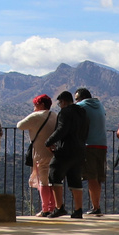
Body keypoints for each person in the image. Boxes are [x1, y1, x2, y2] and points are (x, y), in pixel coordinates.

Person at [46, 90, 88, 219]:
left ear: (63, 102)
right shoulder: (82, 112)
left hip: (66, 149)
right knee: (75, 179)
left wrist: (49, 142)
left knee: (54, 174)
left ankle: (59, 208)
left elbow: (62, 129)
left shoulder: (65, 112)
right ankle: (78, 209)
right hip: (80, 150)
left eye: (60, 103)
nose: (60, 106)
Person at [16, 95, 57, 216]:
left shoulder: (35, 116)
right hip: (54, 152)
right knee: (53, 181)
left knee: (43, 181)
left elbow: (20, 125)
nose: (34, 107)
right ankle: (54, 207)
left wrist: (33, 114)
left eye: (35, 104)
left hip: (41, 153)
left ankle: (46, 209)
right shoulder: (55, 115)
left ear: (41, 105)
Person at [74, 88, 107, 216]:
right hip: (102, 144)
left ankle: (95, 207)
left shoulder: (80, 106)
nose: (76, 101)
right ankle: (96, 206)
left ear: (81, 98)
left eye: (76, 99)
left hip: (89, 145)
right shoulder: (100, 105)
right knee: (98, 177)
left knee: (91, 177)